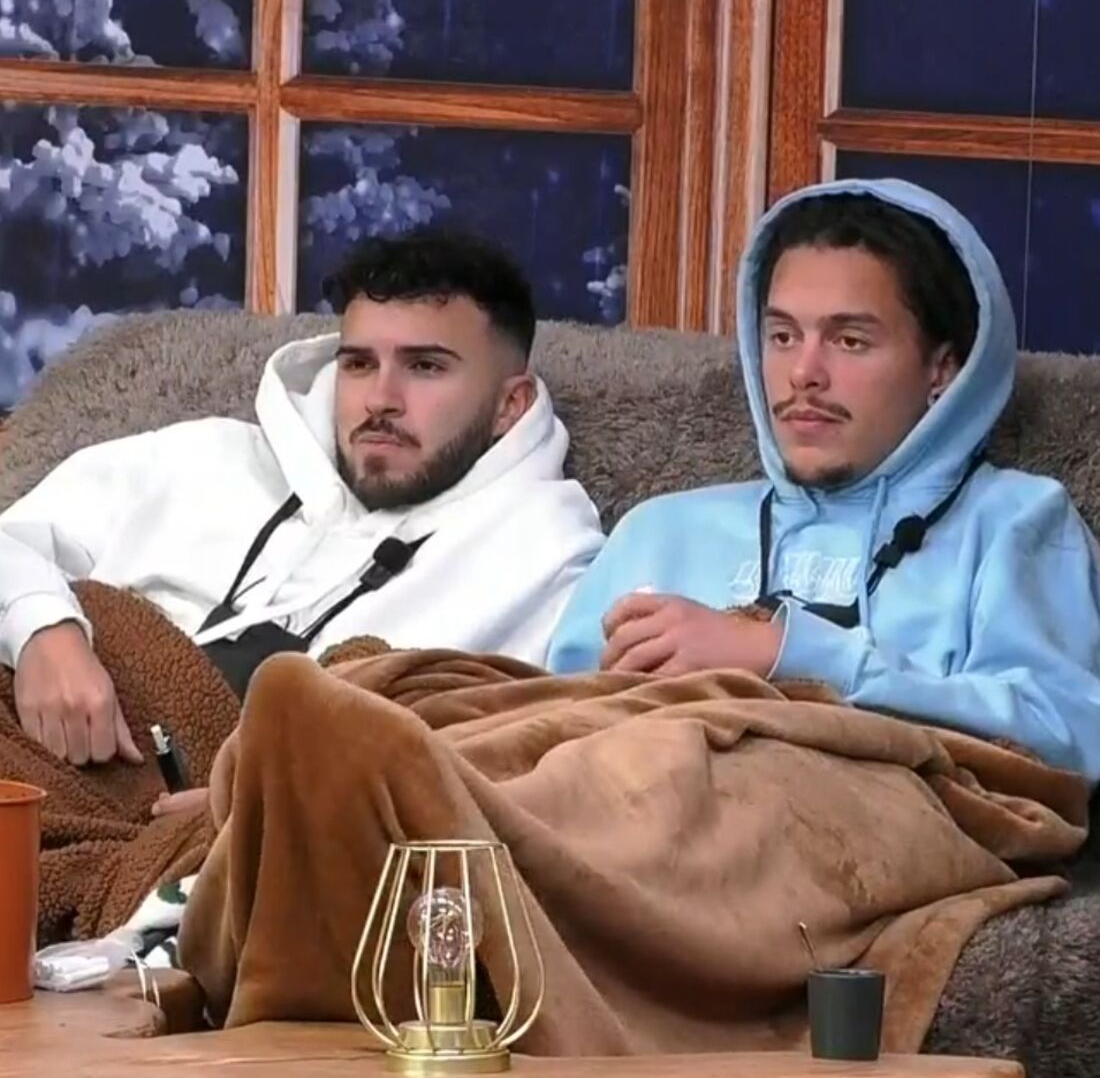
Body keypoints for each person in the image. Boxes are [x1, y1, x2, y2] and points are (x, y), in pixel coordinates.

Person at [548, 177, 1100, 784]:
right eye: (783, 336)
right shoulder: (661, 529)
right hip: (635, 805)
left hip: (880, 828)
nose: (803, 373)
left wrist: (783, 654)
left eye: (850, 340)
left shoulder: (1016, 521)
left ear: (942, 369)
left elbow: (1067, 734)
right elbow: (547, 720)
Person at [2, 228, 604, 770]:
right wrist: (42, 629)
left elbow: (537, 752)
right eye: (359, 364)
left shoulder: (546, 554)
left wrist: (279, 794)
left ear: (509, 406)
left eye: (424, 366)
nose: (380, 399)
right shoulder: (201, 457)